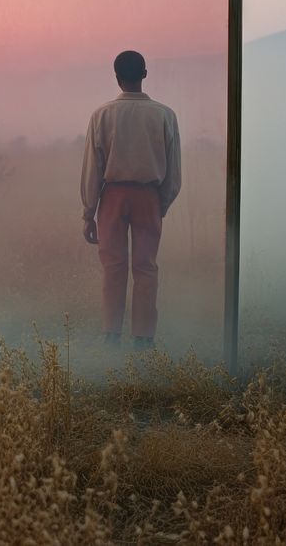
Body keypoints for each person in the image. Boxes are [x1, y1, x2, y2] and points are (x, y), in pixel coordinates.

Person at [80, 50, 181, 350]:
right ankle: (143, 338)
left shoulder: (102, 115)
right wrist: (160, 203)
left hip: (111, 197)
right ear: (145, 74)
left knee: (113, 266)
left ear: (116, 77)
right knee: (146, 267)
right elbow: (173, 172)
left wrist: (89, 212)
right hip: (149, 197)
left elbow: (92, 168)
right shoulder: (164, 115)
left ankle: (111, 334)